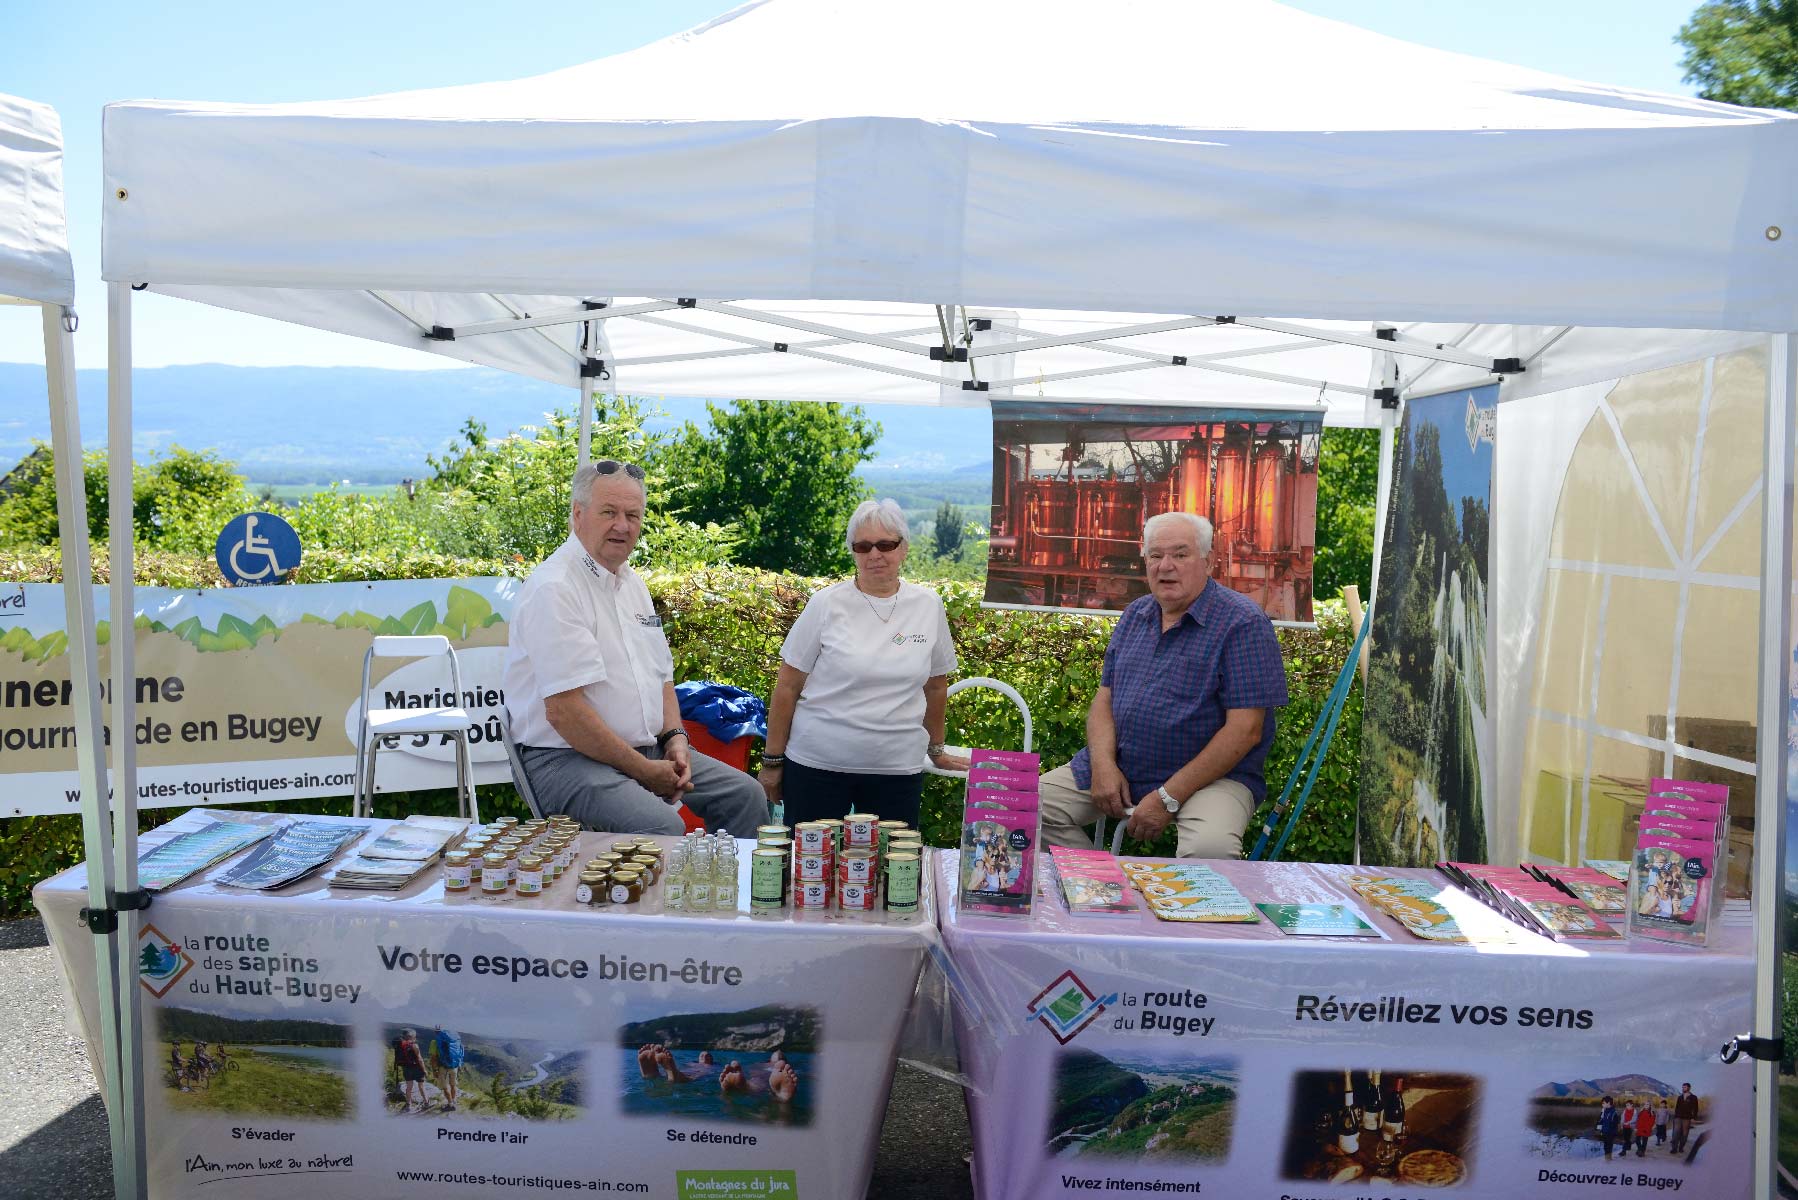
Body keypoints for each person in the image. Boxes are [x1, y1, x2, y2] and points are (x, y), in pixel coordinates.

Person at [506, 461, 767, 837]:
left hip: (647, 750)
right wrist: (643, 771)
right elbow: (565, 713)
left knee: (747, 797)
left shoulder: (632, 585)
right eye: (609, 512)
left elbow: (661, 678)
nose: (623, 526)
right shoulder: (556, 588)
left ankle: (722, 896)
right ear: (578, 515)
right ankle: (673, 897)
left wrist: (676, 738)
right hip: (565, 759)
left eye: (633, 514)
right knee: (661, 828)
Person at [1039, 512, 1289, 859]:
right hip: (1124, 766)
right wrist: (1103, 765)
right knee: (1016, 809)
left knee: (1210, 849)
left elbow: (1245, 731)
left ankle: (1176, 909)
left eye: (1180, 554)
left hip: (1210, 781)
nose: (1165, 566)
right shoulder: (1135, 614)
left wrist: (1168, 796)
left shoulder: (1243, 623)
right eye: (1155, 556)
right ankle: (1102, 887)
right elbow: (1104, 700)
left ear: (1208, 561)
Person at [758, 499, 964, 828]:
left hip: (897, 768)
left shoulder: (928, 605)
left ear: (904, 548)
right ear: (853, 551)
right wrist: (772, 761)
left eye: (885, 544)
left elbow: (936, 686)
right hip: (817, 765)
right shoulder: (826, 603)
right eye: (863, 546)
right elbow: (788, 685)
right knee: (813, 873)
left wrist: (936, 749)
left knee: (891, 871)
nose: (874, 555)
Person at [431, 1026, 464, 1113]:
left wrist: (435, 1070)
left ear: (436, 1032)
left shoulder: (435, 1042)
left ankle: (450, 1105)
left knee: (445, 1087)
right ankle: (453, 1101)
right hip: (454, 1066)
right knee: (453, 1085)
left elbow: (433, 1058)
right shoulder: (455, 1040)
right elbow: (460, 1054)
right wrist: (459, 1066)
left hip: (443, 1067)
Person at [394, 1028, 427, 1113]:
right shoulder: (414, 1045)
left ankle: (409, 1105)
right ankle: (426, 1102)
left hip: (406, 1068)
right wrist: (424, 1070)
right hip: (417, 1068)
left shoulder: (400, 1045)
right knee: (421, 1086)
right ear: (412, 1037)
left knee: (409, 1087)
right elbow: (420, 1059)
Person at [1671, 1083, 1698, 1153]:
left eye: (1684, 1087)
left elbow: (1695, 1108)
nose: (1683, 1089)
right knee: (1675, 1134)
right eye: (1682, 1087)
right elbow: (1677, 1108)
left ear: (1689, 1088)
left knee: (1684, 1134)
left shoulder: (1694, 1097)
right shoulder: (1680, 1097)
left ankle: (1681, 1147)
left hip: (1687, 1118)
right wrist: (1675, 1116)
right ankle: (1674, 1148)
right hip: (1678, 1118)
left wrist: (1693, 1118)